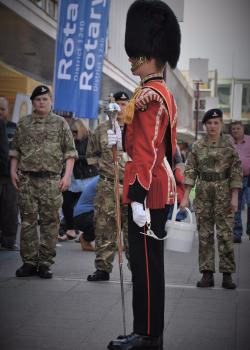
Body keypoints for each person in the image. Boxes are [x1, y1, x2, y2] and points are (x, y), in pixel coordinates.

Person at [107, 1, 181, 349]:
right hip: (151, 189)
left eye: (136, 54)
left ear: (149, 54)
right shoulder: (153, 92)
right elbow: (142, 142)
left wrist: (137, 198)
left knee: (147, 268)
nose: (132, 59)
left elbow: (149, 150)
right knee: (144, 265)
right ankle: (145, 330)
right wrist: (117, 134)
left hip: (147, 193)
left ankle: (148, 335)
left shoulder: (151, 95)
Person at [10, 85, 77, 279]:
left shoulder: (60, 123)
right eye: (38, 99)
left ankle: (45, 263)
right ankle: (29, 262)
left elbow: (70, 153)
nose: (41, 102)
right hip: (27, 179)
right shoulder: (23, 124)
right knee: (28, 222)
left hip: (51, 180)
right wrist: (13, 171)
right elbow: (16, 151)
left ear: (51, 102)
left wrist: (67, 176)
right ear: (32, 102)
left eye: (45, 99)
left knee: (50, 222)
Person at [181, 108, 242, 290]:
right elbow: (190, 171)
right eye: (209, 123)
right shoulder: (198, 146)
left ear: (221, 124)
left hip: (224, 190)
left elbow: (236, 171)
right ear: (205, 125)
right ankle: (207, 274)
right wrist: (185, 197)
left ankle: (227, 275)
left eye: (216, 123)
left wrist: (235, 196)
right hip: (203, 193)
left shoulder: (229, 145)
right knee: (205, 234)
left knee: (225, 234)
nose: (212, 126)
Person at [87, 91, 130, 282]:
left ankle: (136, 269)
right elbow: (91, 155)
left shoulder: (135, 129)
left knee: (131, 231)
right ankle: (103, 268)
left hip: (130, 186)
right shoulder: (101, 130)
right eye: (118, 104)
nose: (121, 108)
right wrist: (105, 166)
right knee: (104, 227)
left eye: (124, 104)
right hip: (107, 185)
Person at [59, 118, 98, 242]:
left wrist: (77, 157)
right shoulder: (69, 140)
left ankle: (83, 234)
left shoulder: (91, 138)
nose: (74, 135)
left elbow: (95, 157)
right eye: (72, 132)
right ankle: (70, 229)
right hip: (72, 176)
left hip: (88, 177)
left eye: (75, 132)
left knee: (82, 208)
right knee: (66, 204)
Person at [59, 175, 100, 251]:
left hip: (87, 213)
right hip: (82, 216)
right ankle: (86, 238)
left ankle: (111, 242)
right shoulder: (103, 180)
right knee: (105, 219)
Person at [0, 97, 18, 251]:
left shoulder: (15, 128)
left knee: (10, 208)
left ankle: (9, 240)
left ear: (8, 110)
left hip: (10, 176)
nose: (0, 112)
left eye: (2, 109)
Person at [230, 121, 250, 243]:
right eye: (233, 129)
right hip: (233, 179)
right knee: (235, 206)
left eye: (238, 128)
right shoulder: (229, 143)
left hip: (248, 178)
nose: (236, 131)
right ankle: (237, 234)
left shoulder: (249, 140)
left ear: (243, 129)